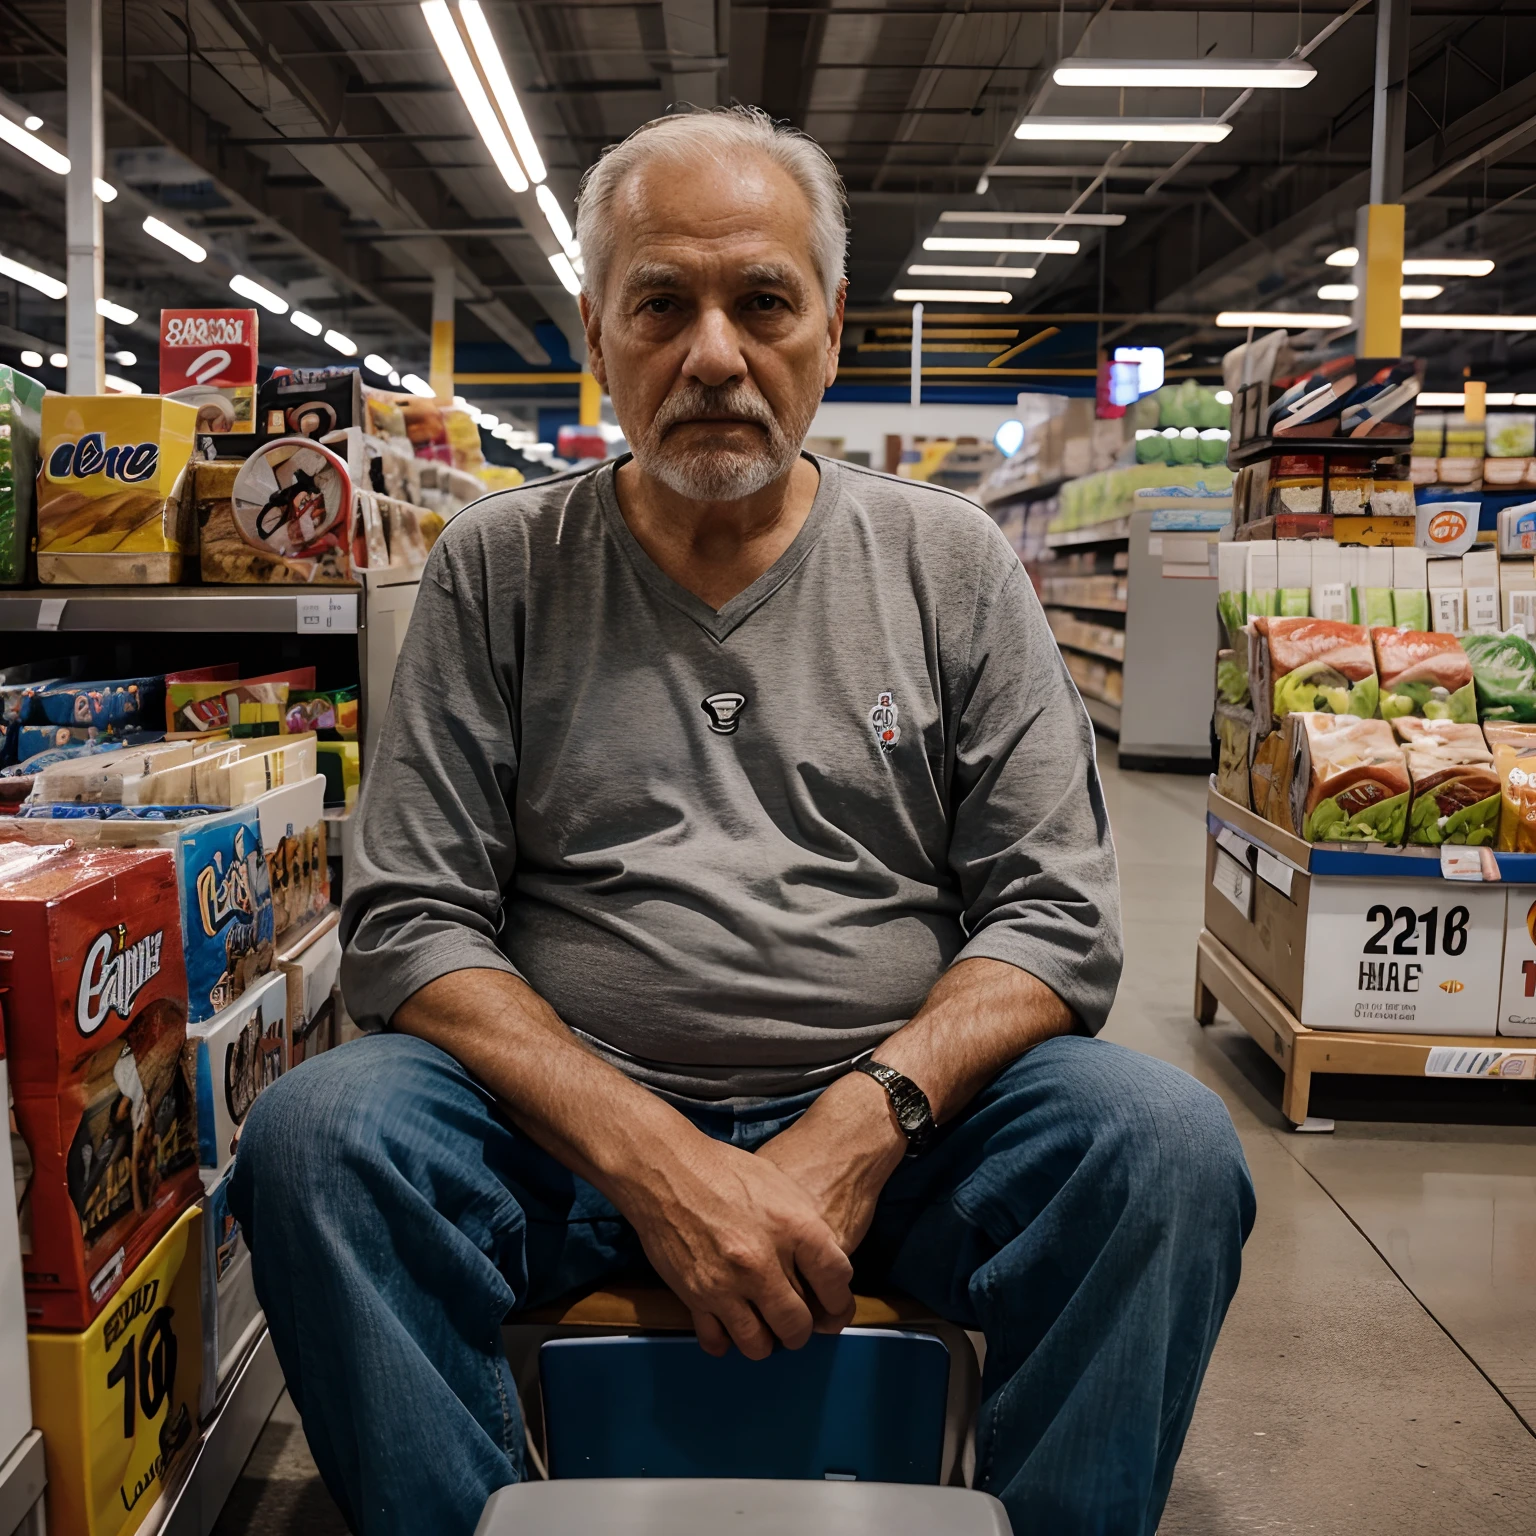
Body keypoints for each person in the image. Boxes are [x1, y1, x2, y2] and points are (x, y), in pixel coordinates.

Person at [230, 105, 1255, 1536]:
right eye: (664, 303)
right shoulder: (496, 571)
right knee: (317, 1142)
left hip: (906, 1146)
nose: (714, 352)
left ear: (831, 328)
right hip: (560, 1142)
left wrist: (862, 1120)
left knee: (1164, 1150)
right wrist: (650, 1156)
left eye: (761, 301)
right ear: (598, 332)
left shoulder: (949, 565)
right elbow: (409, 920)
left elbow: (1058, 915)